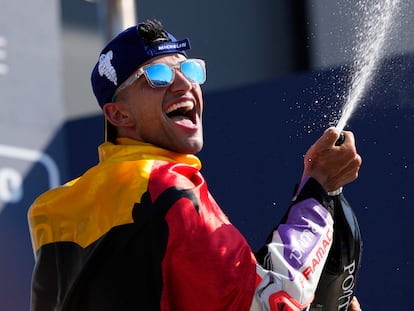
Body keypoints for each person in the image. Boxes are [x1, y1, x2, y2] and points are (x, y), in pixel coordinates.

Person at [28, 20, 363, 311]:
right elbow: (269, 302)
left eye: (190, 70)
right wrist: (318, 191)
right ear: (119, 115)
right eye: (157, 76)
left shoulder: (53, 209)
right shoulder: (163, 185)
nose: (185, 84)